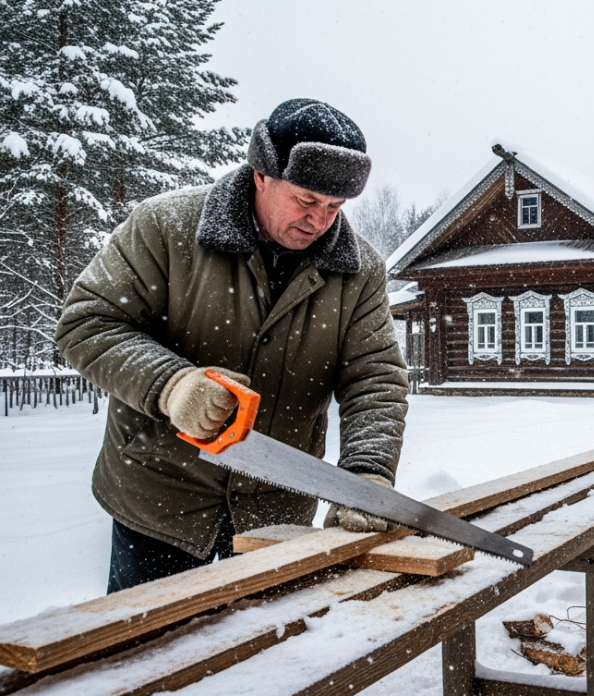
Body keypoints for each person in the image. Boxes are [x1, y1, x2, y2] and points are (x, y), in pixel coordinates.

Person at [55, 99, 410, 593]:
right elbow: (88, 324)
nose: (320, 220)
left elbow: (374, 380)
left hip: (277, 510)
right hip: (161, 499)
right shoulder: (165, 227)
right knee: (145, 658)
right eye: (307, 199)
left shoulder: (359, 270)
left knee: (263, 659)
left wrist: (365, 476)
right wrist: (172, 386)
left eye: (335, 207)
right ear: (262, 174)